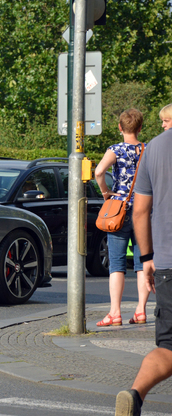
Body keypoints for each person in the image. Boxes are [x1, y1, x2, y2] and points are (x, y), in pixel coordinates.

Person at [114, 111, 172, 416]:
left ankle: (134, 394)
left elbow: (140, 211)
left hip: (166, 262)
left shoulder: (155, 150)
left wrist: (147, 258)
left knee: (168, 346)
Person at [94, 108, 148, 327]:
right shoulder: (147, 149)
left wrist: (106, 192)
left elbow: (98, 172)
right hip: (144, 211)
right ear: (140, 127)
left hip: (120, 211)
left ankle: (115, 312)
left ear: (120, 128)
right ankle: (141, 311)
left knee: (116, 263)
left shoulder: (116, 150)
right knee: (142, 263)